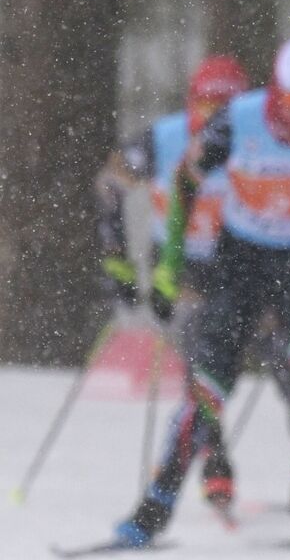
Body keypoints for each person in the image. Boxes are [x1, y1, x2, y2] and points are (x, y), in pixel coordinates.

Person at [111, 36, 290, 547]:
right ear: (275, 92)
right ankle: (152, 512)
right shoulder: (238, 120)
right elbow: (183, 184)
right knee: (209, 386)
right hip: (240, 258)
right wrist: (170, 269)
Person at [95, 56, 262, 511]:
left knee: (283, 356)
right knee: (201, 358)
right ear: (193, 103)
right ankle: (215, 462)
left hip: (242, 262)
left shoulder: (259, 140)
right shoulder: (165, 138)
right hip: (181, 264)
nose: (216, 118)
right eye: (208, 107)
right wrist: (117, 261)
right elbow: (110, 185)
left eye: (229, 108)